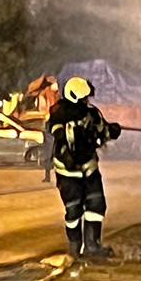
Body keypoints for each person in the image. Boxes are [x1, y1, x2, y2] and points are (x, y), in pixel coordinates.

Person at [46, 76, 119, 259]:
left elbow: (102, 131)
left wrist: (112, 131)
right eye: (84, 97)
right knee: (74, 209)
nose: (87, 101)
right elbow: (56, 131)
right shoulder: (60, 113)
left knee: (96, 205)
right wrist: (69, 135)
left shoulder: (92, 114)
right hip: (67, 171)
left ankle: (93, 246)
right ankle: (75, 247)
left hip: (89, 167)